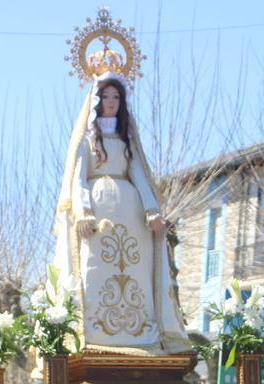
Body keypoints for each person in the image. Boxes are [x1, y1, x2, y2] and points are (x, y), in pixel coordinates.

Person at [52, 68, 190, 355]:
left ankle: (139, 333)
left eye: (116, 96)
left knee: (135, 266)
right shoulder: (87, 139)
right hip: (97, 213)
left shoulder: (127, 138)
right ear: (96, 99)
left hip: (130, 212)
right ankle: (93, 332)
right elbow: (78, 178)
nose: (111, 102)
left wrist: (152, 210)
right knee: (96, 269)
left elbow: (138, 173)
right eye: (106, 96)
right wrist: (83, 212)